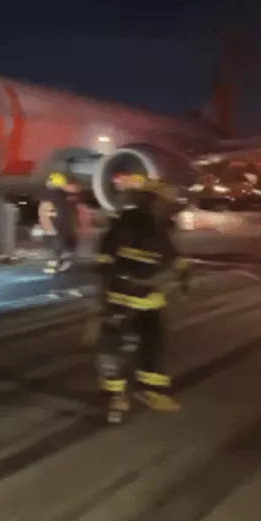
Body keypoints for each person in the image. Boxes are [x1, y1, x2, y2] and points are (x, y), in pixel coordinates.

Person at [94, 178, 191, 423]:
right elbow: (172, 256)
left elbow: (105, 257)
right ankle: (135, 393)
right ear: (154, 200)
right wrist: (184, 277)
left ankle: (123, 395)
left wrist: (106, 290)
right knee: (143, 343)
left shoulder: (132, 222)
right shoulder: (148, 224)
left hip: (133, 293)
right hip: (134, 293)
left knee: (127, 343)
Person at [40, 172, 81, 274]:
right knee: (57, 247)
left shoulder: (60, 197)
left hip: (58, 227)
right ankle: (61, 263)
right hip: (57, 227)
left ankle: (61, 263)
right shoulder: (58, 196)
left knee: (58, 247)